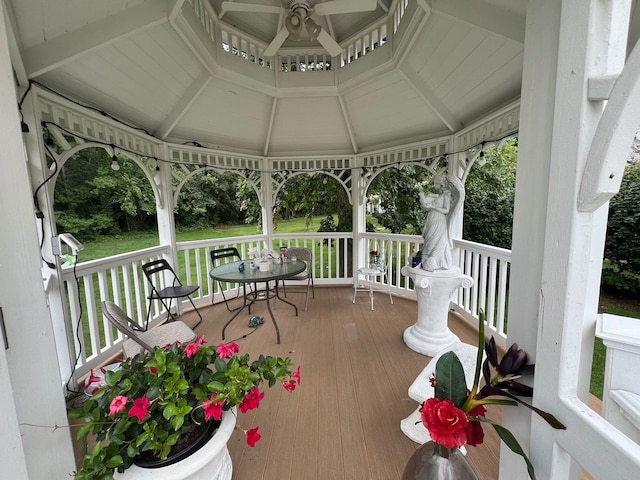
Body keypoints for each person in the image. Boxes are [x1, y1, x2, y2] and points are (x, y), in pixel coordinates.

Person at [419, 175, 454, 271]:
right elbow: (426, 202)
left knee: (435, 239)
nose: (435, 185)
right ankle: (426, 259)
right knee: (429, 239)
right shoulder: (436, 195)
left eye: (436, 183)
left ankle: (434, 260)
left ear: (441, 183)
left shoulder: (447, 194)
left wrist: (432, 207)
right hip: (432, 218)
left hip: (439, 220)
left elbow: (446, 210)